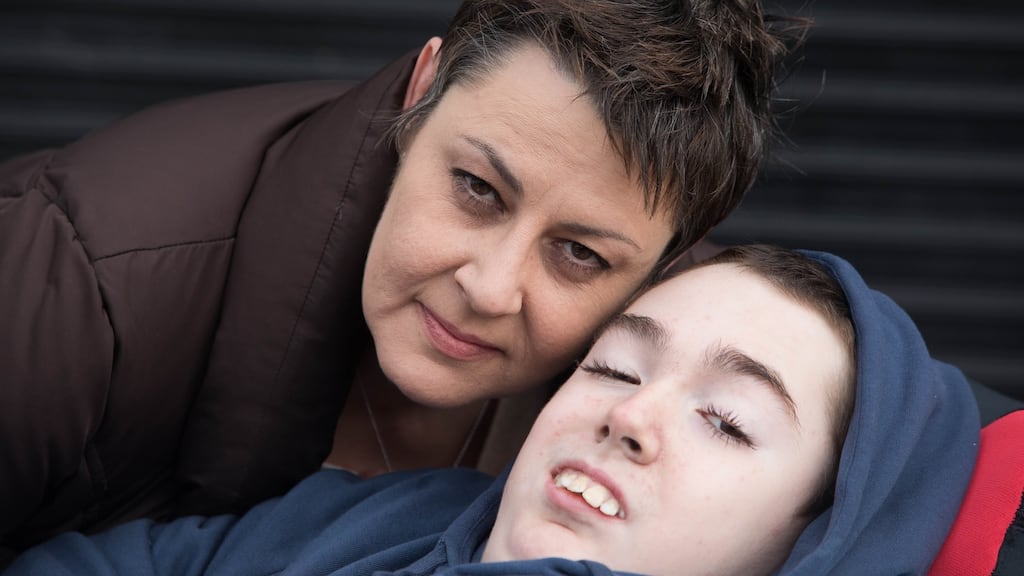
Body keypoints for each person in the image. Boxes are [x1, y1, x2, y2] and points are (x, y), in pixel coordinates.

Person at [0, 0, 809, 558]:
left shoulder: (672, 351)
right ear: (423, 88)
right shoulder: (77, 283)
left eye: (580, 255)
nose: (491, 289)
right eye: (477, 190)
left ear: (668, 260)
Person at [2, 245, 980, 576]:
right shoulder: (386, 515)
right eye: (612, 367)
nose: (629, 417)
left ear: (813, 539)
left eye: (724, 421)